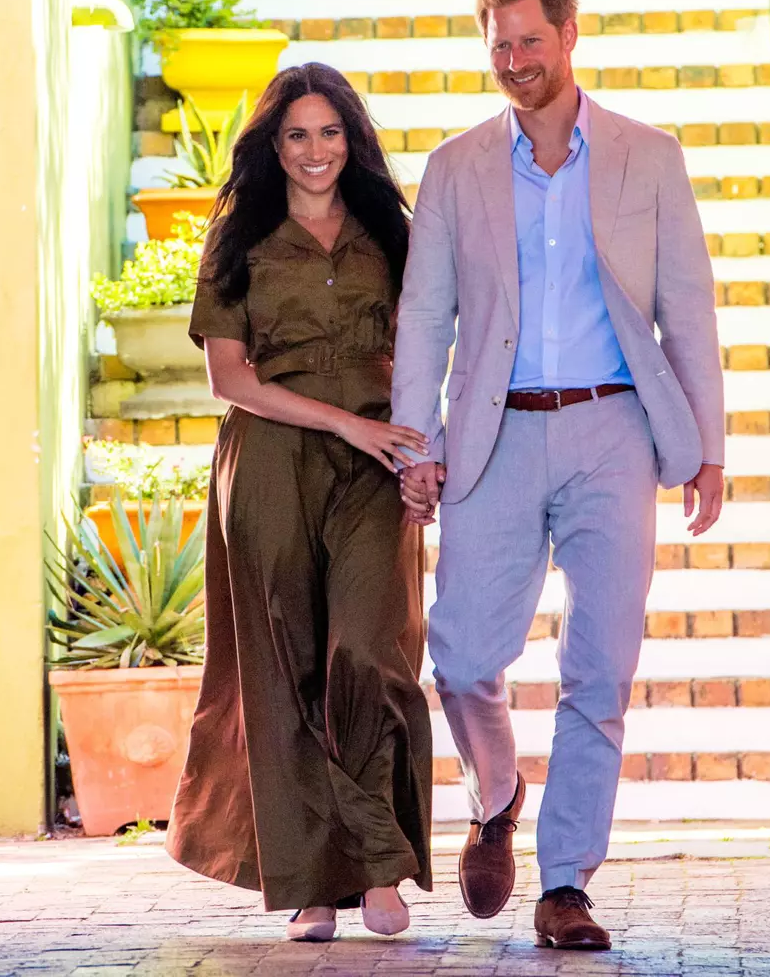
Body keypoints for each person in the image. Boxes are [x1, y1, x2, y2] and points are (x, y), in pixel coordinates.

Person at [392, 0, 724, 950]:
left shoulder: (645, 157)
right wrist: (418, 445)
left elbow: (688, 307)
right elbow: (424, 319)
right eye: (497, 45)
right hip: (493, 430)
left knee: (599, 665)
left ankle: (566, 881)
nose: (513, 61)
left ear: (569, 36)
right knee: (456, 653)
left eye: (529, 41)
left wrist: (705, 447)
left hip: (613, 429)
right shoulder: (455, 169)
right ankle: (496, 791)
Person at [166, 62, 433, 942]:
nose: (315, 151)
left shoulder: (393, 233)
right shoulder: (238, 239)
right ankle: (315, 884)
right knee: (283, 663)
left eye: (329, 133)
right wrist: (340, 422)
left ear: (351, 139)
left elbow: (429, 352)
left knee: (368, 647)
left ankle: (380, 860)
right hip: (271, 460)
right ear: (271, 145)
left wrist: (416, 449)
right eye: (296, 135)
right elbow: (229, 378)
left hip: (375, 467)